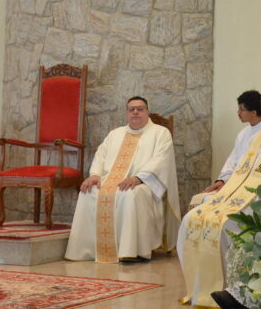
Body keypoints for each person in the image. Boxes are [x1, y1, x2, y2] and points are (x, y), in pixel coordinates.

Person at [177, 78, 261, 309]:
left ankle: (235, 292)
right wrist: (223, 187)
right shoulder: (257, 135)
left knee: (226, 224)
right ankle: (200, 290)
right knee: (193, 218)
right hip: (238, 194)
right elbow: (240, 169)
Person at [64, 96, 179, 263]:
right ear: (127, 113)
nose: (135, 112)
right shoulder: (115, 134)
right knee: (88, 193)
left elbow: (161, 160)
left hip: (145, 183)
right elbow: (101, 155)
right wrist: (95, 175)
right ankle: (86, 251)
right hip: (111, 181)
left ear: (147, 112)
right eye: (131, 109)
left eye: (140, 109)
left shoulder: (161, 133)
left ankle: (131, 251)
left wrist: (139, 178)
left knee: (130, 195)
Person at [192, 90, 261, 207]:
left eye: (242, 109)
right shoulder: (243, 133)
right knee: (199, 199)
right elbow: (233, 160)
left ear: (254, 112)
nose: (238, 112)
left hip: (250, 187)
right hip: (234, 183)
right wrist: (222, 180)